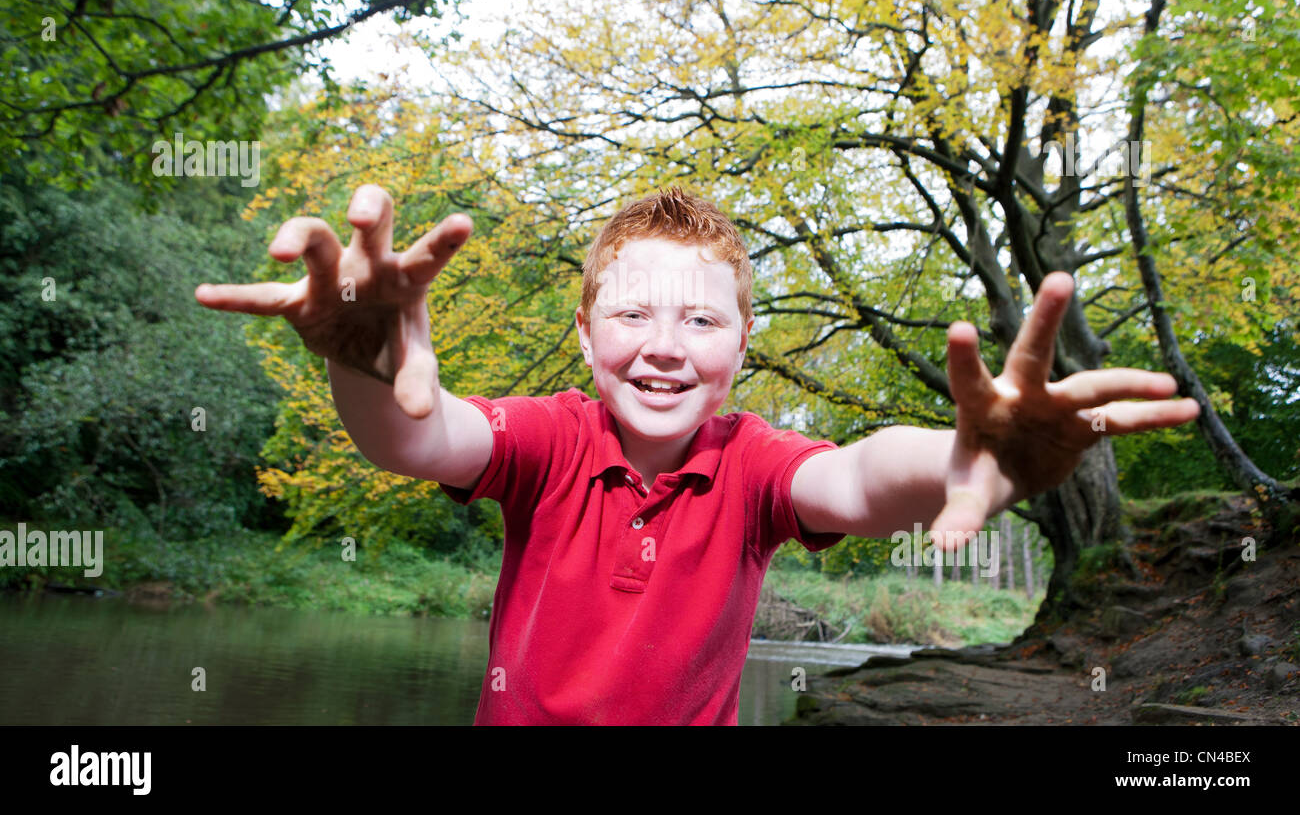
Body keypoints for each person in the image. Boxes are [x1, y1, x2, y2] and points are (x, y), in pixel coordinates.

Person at [195, 184, 1199, 724]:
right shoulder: (548, 439)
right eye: (632, 311)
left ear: (741, 341)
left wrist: (963, 451)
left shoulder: (755, 464)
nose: (665, 343)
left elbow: (853, 476)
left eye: (700, 319)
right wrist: (364, 368)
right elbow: (416, 434)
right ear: (586, 335)